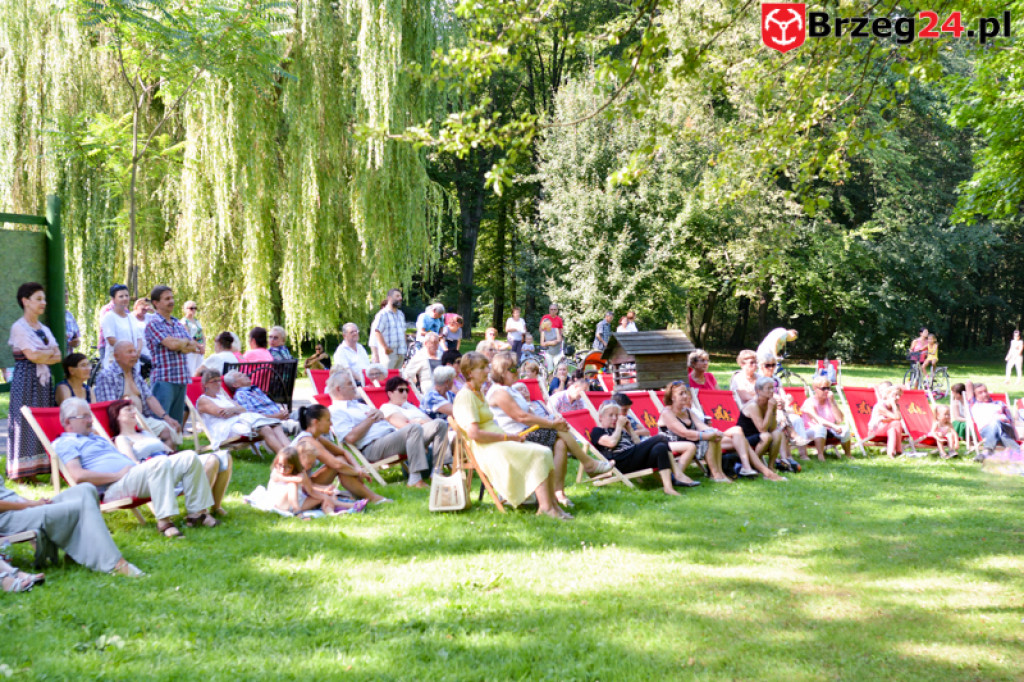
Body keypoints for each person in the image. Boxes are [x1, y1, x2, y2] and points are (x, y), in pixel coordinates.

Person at [54, 398, 217, 538]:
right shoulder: (65, 443)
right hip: (112, 487)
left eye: (90, 415)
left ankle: (197, 513)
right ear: (68, 422)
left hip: (134, 476)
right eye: (84, 417)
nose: (90, 420)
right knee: (159, 462)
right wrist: (117, 475)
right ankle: (165, 522)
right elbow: (78, 476)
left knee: (189, 457)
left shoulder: (97, 438)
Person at [452, 352, 570, 519]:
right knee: (541, 452)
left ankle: (552, 505)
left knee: (545, 451)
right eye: (482, 368)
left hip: (497, 441)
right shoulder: (466, 396)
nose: (487, 371)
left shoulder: (478, 393)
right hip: (486, 448)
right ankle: (545, 507)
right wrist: (509, 437)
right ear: (470, 372)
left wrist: (510, 436)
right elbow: (475, 434)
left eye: (487, 367)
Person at [486, 352, 612, 507]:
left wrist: (553, 421)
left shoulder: (511, 390)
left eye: (517, 368)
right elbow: (521, 417)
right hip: (514, 437)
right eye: (512, 369)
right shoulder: (499, 392)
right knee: (557, 431)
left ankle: (558, 493)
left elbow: (530, 413)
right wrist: (553, 424)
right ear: (502, 372)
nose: (518, 371)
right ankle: (588, 464)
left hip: (527, 432)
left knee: (561, 443)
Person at [0, 475, 142, 578]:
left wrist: (33, 502)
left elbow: (6, 494)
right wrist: (29, 505)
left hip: (21, 509)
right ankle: (116, 564)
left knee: (86, 490)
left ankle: (74, 555)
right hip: (7, 518)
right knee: (78, 507)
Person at [107, 400, 232, 516]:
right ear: (117, 416)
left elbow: (169, 451)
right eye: (128, 410)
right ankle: (198, 512)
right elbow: (133, 464)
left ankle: (215, 507)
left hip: (171, 461)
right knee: (210, 461)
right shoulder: (122, 439)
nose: (134, 412)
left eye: (133, 409)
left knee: (222, 457)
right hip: (158, 470)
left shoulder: (145, 433)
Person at [326, 370, 432, 488]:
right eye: (350, 384)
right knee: (414, 429)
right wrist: (371, 419)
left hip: (389, 437)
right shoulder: (336, 411)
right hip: (373, 447)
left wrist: (380, 415)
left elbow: (378, 420)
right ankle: (415, 480)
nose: (354, 386)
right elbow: (350, 438)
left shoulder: (358, 405)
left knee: (435, 426)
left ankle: (435, 472)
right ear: (338, 389)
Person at [7, 282, 61, 482]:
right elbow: (32, 356)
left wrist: (43, 354)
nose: (43, 303)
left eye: (43, 299)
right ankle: (20, 473)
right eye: (38, 299)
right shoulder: (19, 328)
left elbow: (57, 355)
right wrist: (46, 354)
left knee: (41, 420)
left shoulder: (43, 329)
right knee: (24, 421)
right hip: (26, 379)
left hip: (42, 380)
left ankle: (35, 471)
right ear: (25, 301)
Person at [291, 403, 388, 504]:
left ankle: (366, 495)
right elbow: (336, 464)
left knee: (341, 459)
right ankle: (371, 497)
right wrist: (357, 472)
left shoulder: (316, 437)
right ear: (316, 422)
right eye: (328, 420)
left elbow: (344, 452)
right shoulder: (308, 441)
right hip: (296, 488)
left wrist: (357, 468)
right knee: (339, 464)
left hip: (305, 483)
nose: (331, 424)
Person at [94, 341, 181, 449]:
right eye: (129, 352)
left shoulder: (135, 373)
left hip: (143, 420)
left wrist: (166, 417)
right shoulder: (106, 376)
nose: (134, 355)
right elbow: (111, 408)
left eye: (135, 351)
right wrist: (133, 425)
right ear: (116, 356)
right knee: (154, 443)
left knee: (169, 430)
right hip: (123, 425)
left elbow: (150, 398)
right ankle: (157, 458)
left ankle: (166, 460)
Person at [590, 403, 681, 495]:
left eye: (617, 415)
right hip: (620, 461)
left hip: (633, 459)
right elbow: (611, 443)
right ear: (601, 417)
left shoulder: (621, 430)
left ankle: (668, 487)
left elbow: (637, 443)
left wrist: (630, 429)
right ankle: (678, 474)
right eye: (610, 415)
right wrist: (619, 427)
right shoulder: (597, 431)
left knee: (661, 447)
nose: (614, 418)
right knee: (661, 438)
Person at [195, 369, 290, 454]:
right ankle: (285, 457)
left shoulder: (222, 397)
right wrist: (236, 410)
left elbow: (242, 409)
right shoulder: (203, 400)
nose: (218, 383)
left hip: (239, 421)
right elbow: (222, 414)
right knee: (265, 429)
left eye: (219, 380)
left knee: (275, 426)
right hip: (226, 428)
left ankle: (293, 454)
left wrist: (233, 410)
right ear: (205, 384)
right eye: (214, 381)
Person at [145, 285, 202, 425]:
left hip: (181, 378)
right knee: (163, 423)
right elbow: (173, 345)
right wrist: (182, 344)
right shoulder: (154, 323)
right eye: (167, 299)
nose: (171, 301)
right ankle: (162, 448)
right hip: (164, 379)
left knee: (177, 423)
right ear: (156, 303)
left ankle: (175, 447)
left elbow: (194, 346)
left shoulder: (177, 322)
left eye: (172, 298)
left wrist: (180, 344)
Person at [659, 381, 729, 483]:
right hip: (667, 443)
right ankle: (715, 474)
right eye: (681, 393)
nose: (685, 396)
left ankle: (720, 473)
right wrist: (707, 435)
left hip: (687, 441)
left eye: (685, 393)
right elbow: (684, 433)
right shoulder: (667, 413)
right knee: (708, 438)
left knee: (714, 438)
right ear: (672, 397)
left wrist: (715, 432)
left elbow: (701, 426)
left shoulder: (687, 411)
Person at [268, 447, 364, 515]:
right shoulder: (276, 472)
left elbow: (311, 490)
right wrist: (297, 479)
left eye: (288, 467)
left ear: (295, 465)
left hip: (299, 501)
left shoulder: (301, 474)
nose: (282, 469)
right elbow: (280, 478)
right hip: (280, 503)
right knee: (292, 484)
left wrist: (324, 494)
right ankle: (297, 511)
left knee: (324, 497)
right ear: (276, 462)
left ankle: (336, 512)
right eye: (280, 465)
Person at [725, 376, 788, 481]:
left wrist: (772, 411)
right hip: (743, 440)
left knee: (777, 434)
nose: (772, 391)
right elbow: (763, 429)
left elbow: (772, 428)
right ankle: (754, 465)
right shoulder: (753, 405)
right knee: (766, 436)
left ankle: (770, 467)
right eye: (768, 388)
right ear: (759, 390)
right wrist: (770, 409)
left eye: (773, 388)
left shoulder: (769, 403)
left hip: (757, 436)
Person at [380, 376, 450, 463]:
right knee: (440, 424)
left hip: (423, 432)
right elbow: (404, 426)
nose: (405, 393)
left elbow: (429, 421)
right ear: (390, 393)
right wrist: (419, 421)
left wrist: (419, 421)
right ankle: (441, 466)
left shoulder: (408, 405)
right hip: (408, 439)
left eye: (407, 390)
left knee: (446, 428)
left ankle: (444, 465)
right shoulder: (387, 408)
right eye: (401, 390)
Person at [799, 376, 852, 461]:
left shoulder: (829, 401)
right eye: (823, 388)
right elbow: (818, 420)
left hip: (828, 430)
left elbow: (840, 419)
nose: (827, 391)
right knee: (820, 428)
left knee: (845, 429)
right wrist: (833, 426)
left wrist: (832, 402)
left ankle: (848, 455)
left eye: (828, 388)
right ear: (815, 389)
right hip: (809, 432)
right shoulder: (809, 402)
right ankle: (821, 456)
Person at [965, 381, 1017, 460]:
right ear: (974, 394)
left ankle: (987, 451)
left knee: (996, 422)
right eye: (980, 392)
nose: (984, 394)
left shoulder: (999, 403)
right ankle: (1017, 451)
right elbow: (968, 383)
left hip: (1006, 428)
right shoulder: (973, 403)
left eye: (985, 391)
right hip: (986, 430)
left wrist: (1016, 436)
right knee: (997, 425)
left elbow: (1011, 421)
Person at [100, 284, 143, 368]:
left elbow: (139, 338)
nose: (125, 298)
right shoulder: (109, 317)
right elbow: (111, 339)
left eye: (127, 296)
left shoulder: (131, 317)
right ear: (113, 299)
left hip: (133, 362)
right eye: (121, 296)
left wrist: (137, 352)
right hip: (116, 362)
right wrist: (128, 352)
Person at [224, 370, 291, 421]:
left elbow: (269, 405)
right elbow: (251, 415)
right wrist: (278, 417)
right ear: (235, 385)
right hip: (271, 422)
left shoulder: (254, 389)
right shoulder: (241, 395)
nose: (245, 374)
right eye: (240, 376)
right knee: (299, 420)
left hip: (282, 417)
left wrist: (283, 412)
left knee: (300, 413)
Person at [372, 289, 407, 370]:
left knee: (396, 380)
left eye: (400, 296)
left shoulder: (401, 314)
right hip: (389, 354)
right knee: (386, 378)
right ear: (389, 298)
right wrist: (385, 348)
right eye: (397, 296)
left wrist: (404, 346)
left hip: (401, 353)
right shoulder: (382, 314)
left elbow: (404, 331)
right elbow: (377, 331)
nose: (400, 298)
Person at [868, 384, 904, 458]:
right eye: (895, 395)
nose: (897, 397)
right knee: (896, 423)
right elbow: (897, 417)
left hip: (889, 430)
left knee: (893, 427)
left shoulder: (897, 406)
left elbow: (897, 418)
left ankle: (891, 453)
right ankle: (898, 451)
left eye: (899, 395)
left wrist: (894, 406)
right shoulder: (880, 406)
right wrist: (893, 404)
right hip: (875, 431)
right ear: (888, 395)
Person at [131, 297, 154, 379]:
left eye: (146, 308)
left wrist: (153, 310)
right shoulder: (130, 317)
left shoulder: (149, 317)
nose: (145, 310)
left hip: (147, 347)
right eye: (143, 308)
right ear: (137, 306)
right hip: (135, 347)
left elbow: (160, 319)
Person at [182, 301, 205, 376]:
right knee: (191, 371)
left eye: (195, 308)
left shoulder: (197, 321)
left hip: (199, 350)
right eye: (191, 308)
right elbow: (187, 337)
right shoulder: (184, 322)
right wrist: (199, 346)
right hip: (191, 350)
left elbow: (202, 335)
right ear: (185, 309)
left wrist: (203, 346)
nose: (193, 310)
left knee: (199, 372)